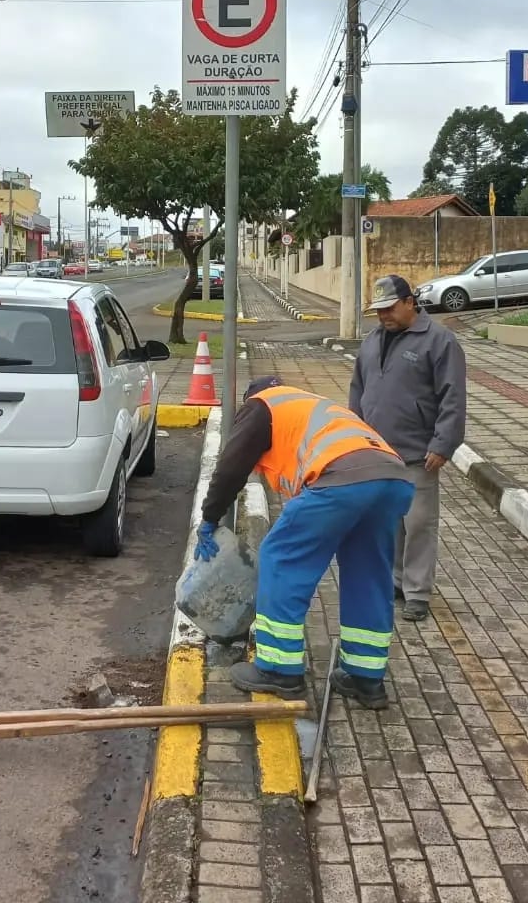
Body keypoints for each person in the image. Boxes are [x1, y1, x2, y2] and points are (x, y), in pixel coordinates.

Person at [194, 376, 415, 709]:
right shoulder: (313, 404)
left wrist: (209, 519)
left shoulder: (261, 406)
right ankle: (365, 677)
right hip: (393, 479)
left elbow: (230, 468)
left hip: (341, 478)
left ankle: (278, 669)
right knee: (368, 574)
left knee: (280, 557)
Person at [349, 274, 466, 622]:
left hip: (419, 454)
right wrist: (355, 435)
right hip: (379, 452)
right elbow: (358, 389)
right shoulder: (371, 341)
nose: (384, 316)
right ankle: (396, 581)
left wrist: (443, 443)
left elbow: (453, 398)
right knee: (389, 523)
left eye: (389, 308)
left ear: (409, 302)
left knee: (418, 524)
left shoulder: (439, 341)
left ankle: (417, 592)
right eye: (378, 310)